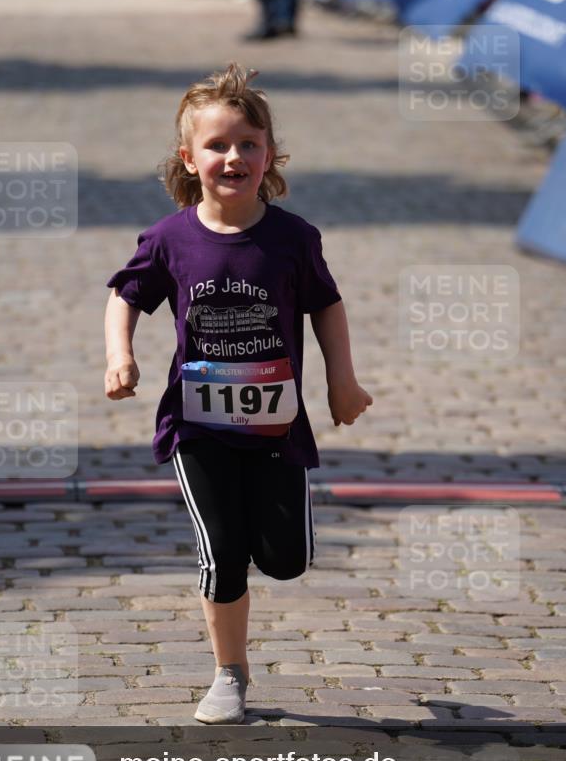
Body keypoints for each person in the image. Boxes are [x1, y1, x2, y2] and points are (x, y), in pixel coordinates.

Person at [104, 63, 372, 724]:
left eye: (248, 144)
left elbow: (327, 306)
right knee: (221, 555)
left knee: (285, 561)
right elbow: (124, 296)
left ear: (270, 156)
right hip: (197, 428)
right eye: (218, 145)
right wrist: (120, 355)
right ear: (188, 159)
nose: (233, 156)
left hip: (276, 428)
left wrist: (343, 379)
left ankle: (264, 549)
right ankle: (229, 673)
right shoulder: (169, 240)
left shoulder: (291, 238)